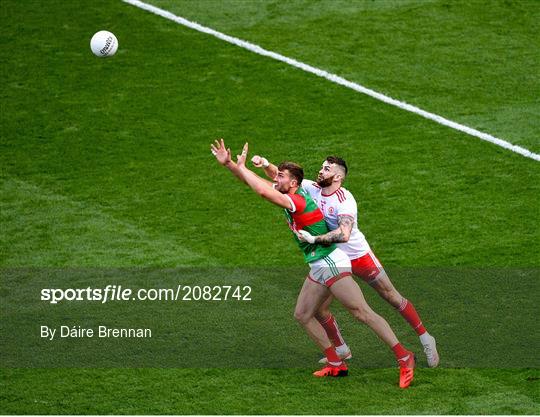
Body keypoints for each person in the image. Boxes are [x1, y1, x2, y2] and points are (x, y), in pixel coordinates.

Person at [211, 139, 416, 388]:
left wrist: (243, 166)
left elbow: (263, 191)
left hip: (331, 263)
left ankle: (405, 357)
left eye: (282, 177)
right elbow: (253, 183)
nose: (276, 179)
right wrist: (231, 164)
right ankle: (336, 364)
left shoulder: (296, 201)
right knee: (303, 314)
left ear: (293, 183)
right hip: (319, 265)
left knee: (362, 313)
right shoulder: (290, 194)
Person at [251, 154, 439, 368]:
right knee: (318, 309)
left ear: (338, 176)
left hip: (358, 256)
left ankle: (425, 337)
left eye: (327, 168)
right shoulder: (312, 188)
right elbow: (284, 179)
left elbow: (344, 234)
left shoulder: (345, 200)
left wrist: (314, 239)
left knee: (391, 296)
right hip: (332, 258)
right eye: (322, 167)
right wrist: (265, 165)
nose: (321, 171)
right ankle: (341, 350)